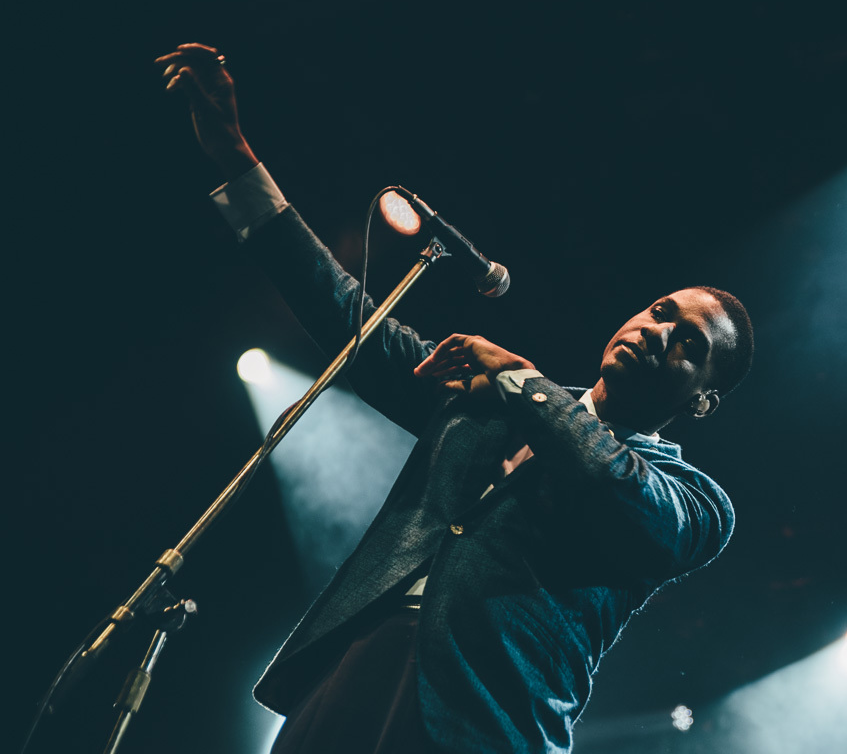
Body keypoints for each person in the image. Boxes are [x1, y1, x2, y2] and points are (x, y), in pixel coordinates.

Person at [158, 42, 754, 754]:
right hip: (352, 670)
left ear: (703, 401)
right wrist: (237, 159)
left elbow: (610, 483)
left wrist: (519, 378)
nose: (658, 333)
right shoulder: (489, 402)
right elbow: (349, 318)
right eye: (659, 311)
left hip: (485, 721)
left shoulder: (695, 504)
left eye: (689, 343)